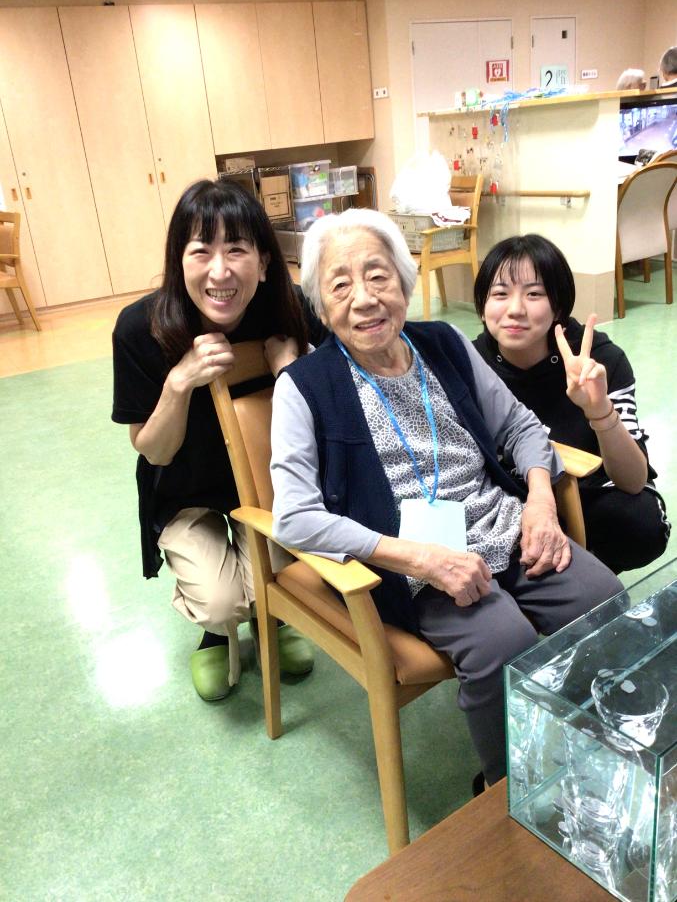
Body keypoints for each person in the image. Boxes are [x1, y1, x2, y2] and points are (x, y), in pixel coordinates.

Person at [269, 208, 622, 787]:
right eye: (341, 285)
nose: (364, 298)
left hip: (503, 523)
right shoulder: (303, 387)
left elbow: (522, 427)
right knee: (503, 641)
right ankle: (508, 790)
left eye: (378, 276)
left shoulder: (444, 342)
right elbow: (295, 517)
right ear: (322, 307)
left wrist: (540, 502)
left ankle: (597, 746)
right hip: (410, 563)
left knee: (603, 600)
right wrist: (418, 557)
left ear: (405, 283)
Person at [112, 178, 322, 702]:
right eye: (201, 250)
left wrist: (291, 373)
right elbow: (155, 450)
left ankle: (273, 619)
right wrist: (179, 382)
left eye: (237, 250)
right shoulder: (140, 329)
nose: (220, 271)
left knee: (282, 582)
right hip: (184, 489)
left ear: (264, 262)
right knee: (223, 602)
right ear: (178, 261)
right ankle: (217, 632)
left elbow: (330, 416)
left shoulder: (289, 309)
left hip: (268, 483)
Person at [473, 234, 669, 575]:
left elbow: (633, 481)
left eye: (534, 294)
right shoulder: (470, 362)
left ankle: (588, 575)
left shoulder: (598, 361)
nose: (515, 309)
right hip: (508, 499)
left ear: (558, 307)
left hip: (588, 494)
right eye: (500, 294)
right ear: (483, 305)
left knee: (640, 524)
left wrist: (599, 411)